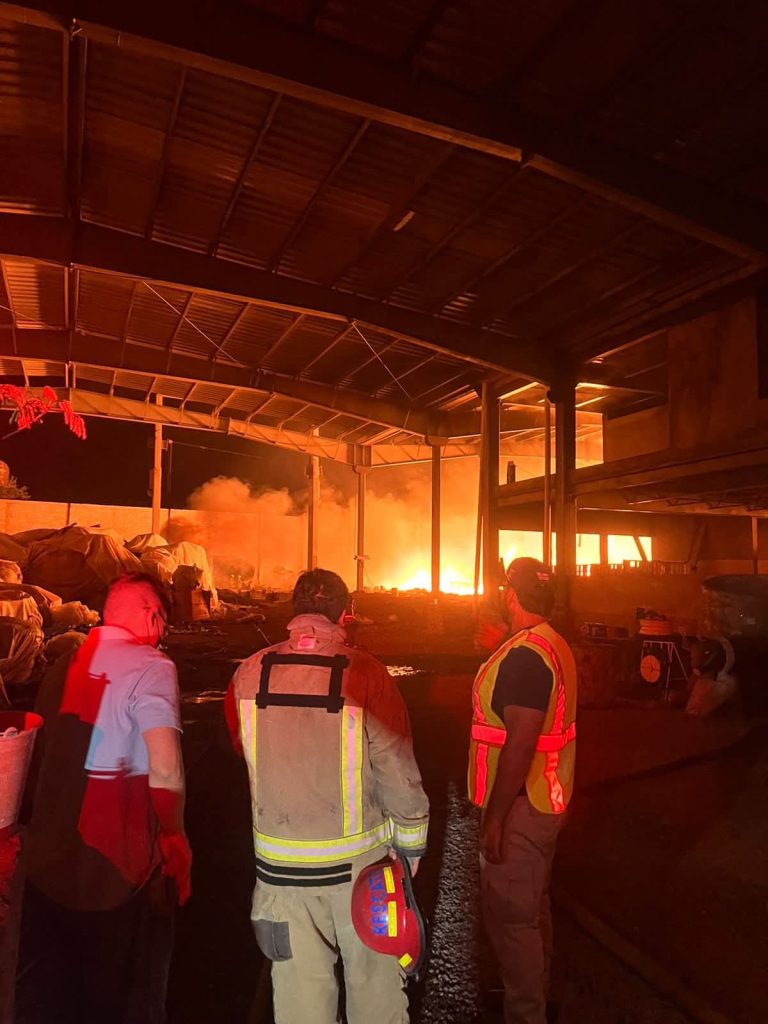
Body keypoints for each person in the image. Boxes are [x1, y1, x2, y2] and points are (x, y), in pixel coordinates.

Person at [224, 568, 429, 1024]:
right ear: (346, 613)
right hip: (362, 873)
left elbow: (244, 750)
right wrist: (411, 845)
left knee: (300, 1002)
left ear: (293, 610)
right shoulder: (367, 673)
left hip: (280, 875)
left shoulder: (247, 673)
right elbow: (397, 765)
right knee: (375, 994)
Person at [16, 573, 191, 1024]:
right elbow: (166, 768)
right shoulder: (152, 666)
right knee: (124, 996)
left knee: (53, 998)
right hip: (115, 875)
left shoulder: (63, 666)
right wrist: (174, 835)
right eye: (162, 622)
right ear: (151, 615)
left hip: (48, 868)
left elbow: (38, 759)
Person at [467, 558, 577, 1024]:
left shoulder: (526, 657)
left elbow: (521, 739)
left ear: (511, 597)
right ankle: (537, 1001)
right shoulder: (549, 643)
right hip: (546, 797)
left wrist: (494, 820)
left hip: (520, 807)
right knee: (532, 909)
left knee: (513, 921)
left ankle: (526, 1012)